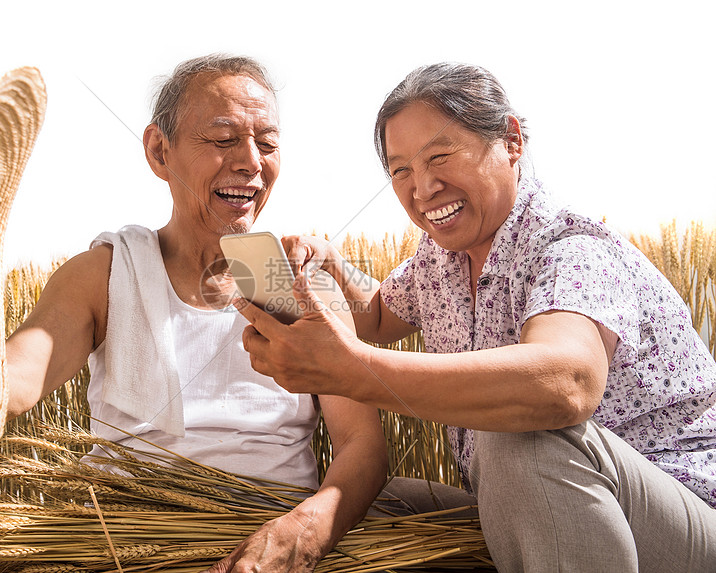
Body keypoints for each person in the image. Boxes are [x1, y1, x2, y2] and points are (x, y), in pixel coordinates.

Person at [236, 62, 716, 572]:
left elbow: (565, 384)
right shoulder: (442, 257)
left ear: (511, 141)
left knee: (520, 441)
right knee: (369, 504)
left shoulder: (570, 247)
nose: (422, 188)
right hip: (540, 505)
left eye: (440, 156)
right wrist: (330, 266)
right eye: (401, 171)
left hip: (684, 519)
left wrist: (355, 370)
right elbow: (376, 315)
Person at [4, 54, 388, 573]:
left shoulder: (298, 286)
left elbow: (362, 445)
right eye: (224, 139)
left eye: (268, 143)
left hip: (270, 542)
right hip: (128, 544)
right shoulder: (108, 272)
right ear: (160, 151)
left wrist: (307, 529)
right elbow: (20, 374)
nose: (252, 161)